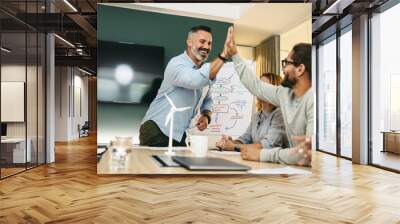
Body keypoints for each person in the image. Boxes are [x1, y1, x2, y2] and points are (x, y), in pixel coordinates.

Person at [224, 26, 313, 166]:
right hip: (296, 169)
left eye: (287, 63)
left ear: (300, 69)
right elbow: (255, 85)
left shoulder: (313, 100)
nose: (283, 69)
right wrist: (234, 54)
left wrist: (262, 154)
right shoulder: (284, 94)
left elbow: (308, 153)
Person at [139, 25, 231, 146]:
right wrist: (224, 55)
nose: (206, 47)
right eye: (202, 41)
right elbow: (194, 81)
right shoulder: (176, 63)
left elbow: (208, 100)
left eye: (209, 43)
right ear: (189, 42)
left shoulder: (203, 71)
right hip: (157, 129)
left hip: (179, 134)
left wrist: (206, 116)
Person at [215, 73, 288, 152]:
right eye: (258, 85)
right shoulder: (257, 116)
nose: (259, 90)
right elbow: (245, 139)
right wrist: (230, 142)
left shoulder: (280, 114)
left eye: (264, 86)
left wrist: (233, 146)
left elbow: (268, 145)